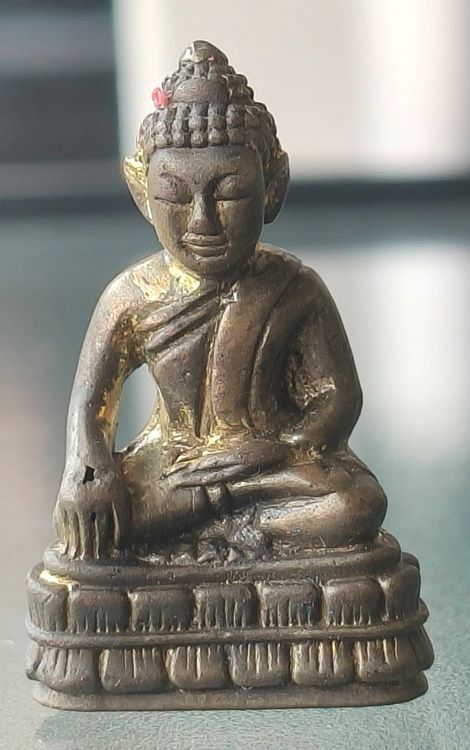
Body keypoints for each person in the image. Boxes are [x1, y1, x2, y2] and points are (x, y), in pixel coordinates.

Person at [54, 41, 386, 560]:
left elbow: (338, 397)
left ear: (273, 187)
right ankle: (238, 525)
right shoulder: (132, 297)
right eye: (174, 197)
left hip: (270, 463)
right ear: (142, 195)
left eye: (229, 193)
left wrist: (279, 447)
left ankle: (236, 529)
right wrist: (85, 471)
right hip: (173, 468)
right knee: (93, 526)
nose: (202, 221)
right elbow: (90, 407)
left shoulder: (295, 287)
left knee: (357, 504)